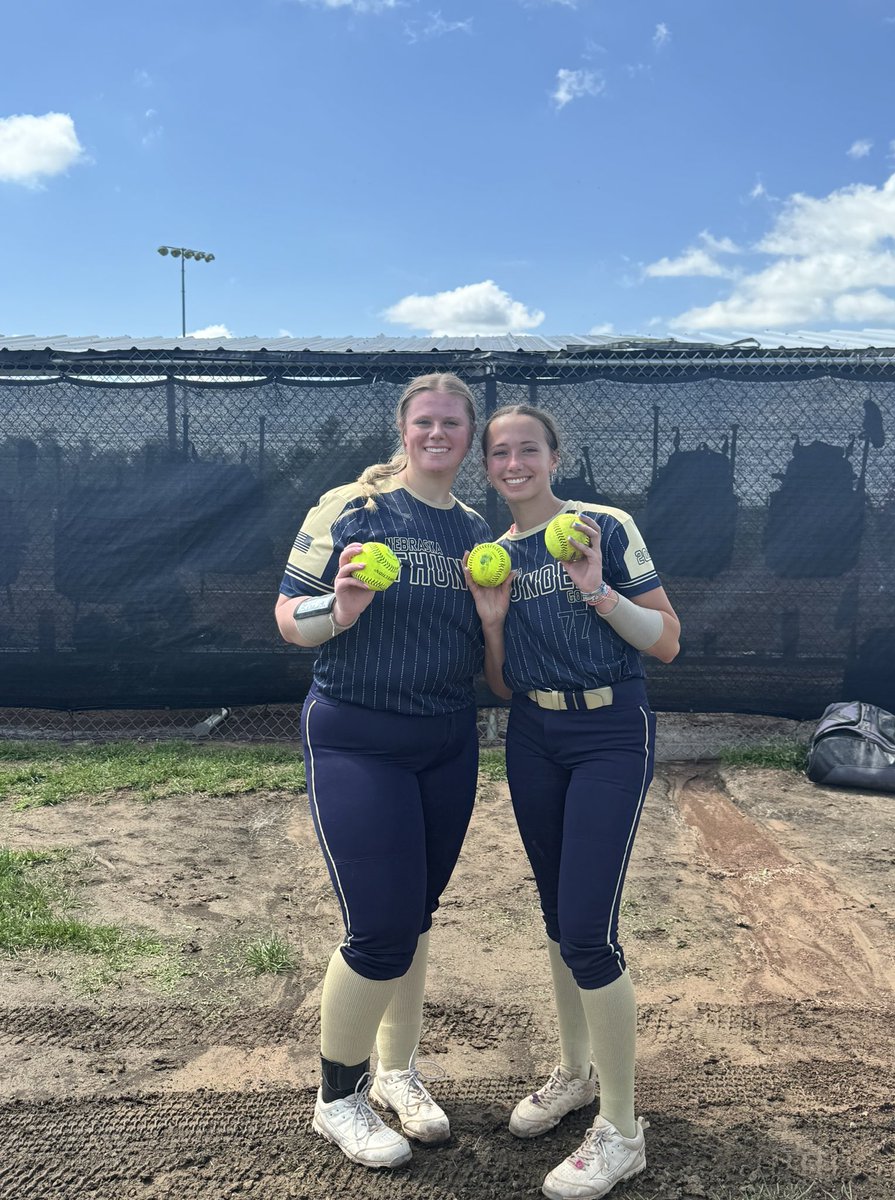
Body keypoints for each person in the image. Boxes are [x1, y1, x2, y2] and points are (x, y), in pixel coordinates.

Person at [274, 372, 492, 1170]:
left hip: (447, 739)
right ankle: (337, 1098)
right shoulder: (353, 509)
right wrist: (338, 609)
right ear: (403, 430)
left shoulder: (474, 529)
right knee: (380, 928)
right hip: (357, 737)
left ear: (469, 437)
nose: (437, 434)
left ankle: (398, 1072)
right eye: (424, 421)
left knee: (418, 914)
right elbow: (287, 618)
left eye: (452, 423)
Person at [466, 404, 681, 1200]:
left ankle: (623, 1131)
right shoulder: (496, 555)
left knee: (589, 932)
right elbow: (503, 685)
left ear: (555, 456)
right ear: (488, 468)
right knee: (559, 920)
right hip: (534, 735)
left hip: (609, 733)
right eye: (499, 453)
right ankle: (575, 1072)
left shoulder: (603, 527)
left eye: (528, 449)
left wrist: (597, 591)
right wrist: (494, 624)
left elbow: (667, 640)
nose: (514, 463)